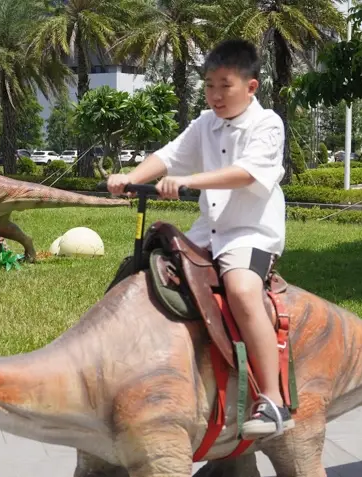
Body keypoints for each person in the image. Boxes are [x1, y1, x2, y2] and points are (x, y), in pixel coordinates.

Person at [106, 38, 293, 439]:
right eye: (209, 85)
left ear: (251, 87)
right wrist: (132, 178)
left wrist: (189, 181)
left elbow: (247, 173)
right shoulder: (205, 123)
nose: (215, 95)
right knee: (140, 272)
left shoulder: (268, 124)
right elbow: (169, 155)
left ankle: (275, 401)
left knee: (242, 291)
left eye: (225, 85)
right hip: (206, 231)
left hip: (249, 232)